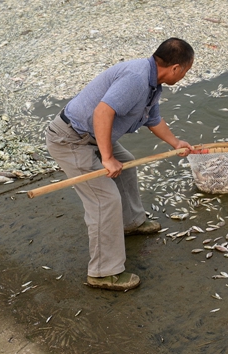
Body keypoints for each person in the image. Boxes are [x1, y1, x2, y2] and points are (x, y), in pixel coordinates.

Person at [45, 38, 195, 290]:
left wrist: (175, 142)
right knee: (104, 200)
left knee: (126, 166)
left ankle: (130, 223)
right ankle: (103, 273)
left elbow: (153, 119)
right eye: (187, 71)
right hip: (72, 139)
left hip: (93, 135)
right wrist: (106, 158)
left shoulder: (152, 83)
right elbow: (102, 113)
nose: (184, 76)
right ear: (176, 68)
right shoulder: (136, 79)